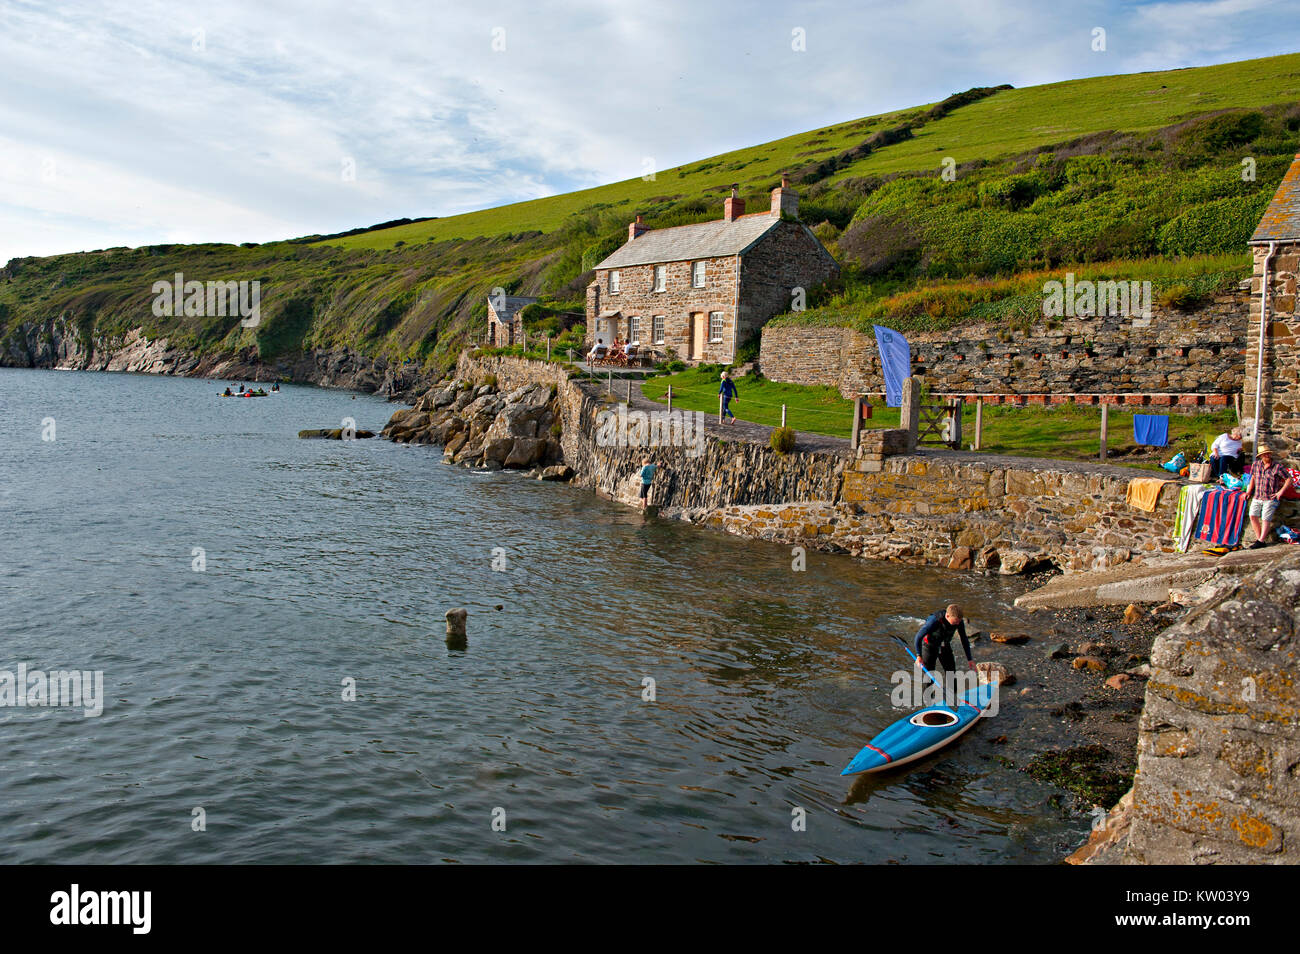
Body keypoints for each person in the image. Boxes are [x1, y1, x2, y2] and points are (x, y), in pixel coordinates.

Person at [1248, 446, 1295, 548]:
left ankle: (1260, 540)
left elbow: (1289, 479)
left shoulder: (1277, 466)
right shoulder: (1256, 465)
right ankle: (1259, 539)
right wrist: (1248, 491)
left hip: (1270, 497)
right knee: (1252, 515)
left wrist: (1280, 492)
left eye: (1268, 453)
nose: (1267, 455)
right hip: (1258, 495)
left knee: (1265, 518)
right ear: (1261, 456)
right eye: (1265, 454)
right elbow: (1253, 478)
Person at [913, 604, 975, 674]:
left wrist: (970, 659)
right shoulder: (934, 621)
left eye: (959, 622)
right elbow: (918, 637)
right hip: (930, 646)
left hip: (944, 645)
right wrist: (919, 656)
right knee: (928, 678)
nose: (958, 624)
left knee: (951, 675)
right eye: (955, 622)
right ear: (947, 616)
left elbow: (964, 639)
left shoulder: (959, 622)